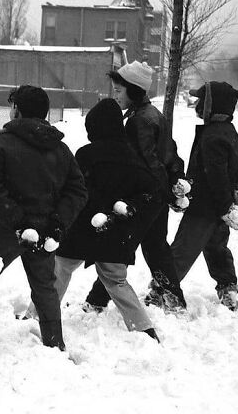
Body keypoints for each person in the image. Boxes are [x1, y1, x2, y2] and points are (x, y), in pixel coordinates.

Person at [0, 85, 87, 351]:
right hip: (45, 231)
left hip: (8, 229)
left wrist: (18, 221)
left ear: (16, 110)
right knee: (45, 288)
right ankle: (54, 343)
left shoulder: (2, 143)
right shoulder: (60, 149)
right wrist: (57, 223)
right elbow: (77, 190)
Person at [25, 98, 162, 341]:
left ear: (96, 128)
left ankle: (36, 315)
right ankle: (143, 328)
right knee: (116, 281)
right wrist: (126, 213)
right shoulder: (133, 157)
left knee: (59, 271)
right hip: (115, 231)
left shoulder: (87, 154)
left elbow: (75, 189)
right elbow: (149, 192)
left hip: (80, 228)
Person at [84, 61, 187, 312]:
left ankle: (97, 300)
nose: (115, 95)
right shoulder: (153, 115)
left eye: (119, 91)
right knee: (154, 246)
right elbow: (171, 153)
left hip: (145, 197)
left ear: (134, 91)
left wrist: (150, 192)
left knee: (121, 245)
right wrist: (172, 184)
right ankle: (172, 297)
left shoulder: (138, 121)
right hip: (157, 194)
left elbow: (145, 162)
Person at [171, 81, 238, 311]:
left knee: (183, 250)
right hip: (218, 205)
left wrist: (226, 207)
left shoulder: (213, 136)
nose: (197, 105)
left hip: (206, 206)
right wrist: (231, 202)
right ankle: (228, 288)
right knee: (217, 248)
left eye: (201, 101)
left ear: (212, 106)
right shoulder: (226, 131)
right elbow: (234, 172)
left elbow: (216, 176)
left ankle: (163, 290)